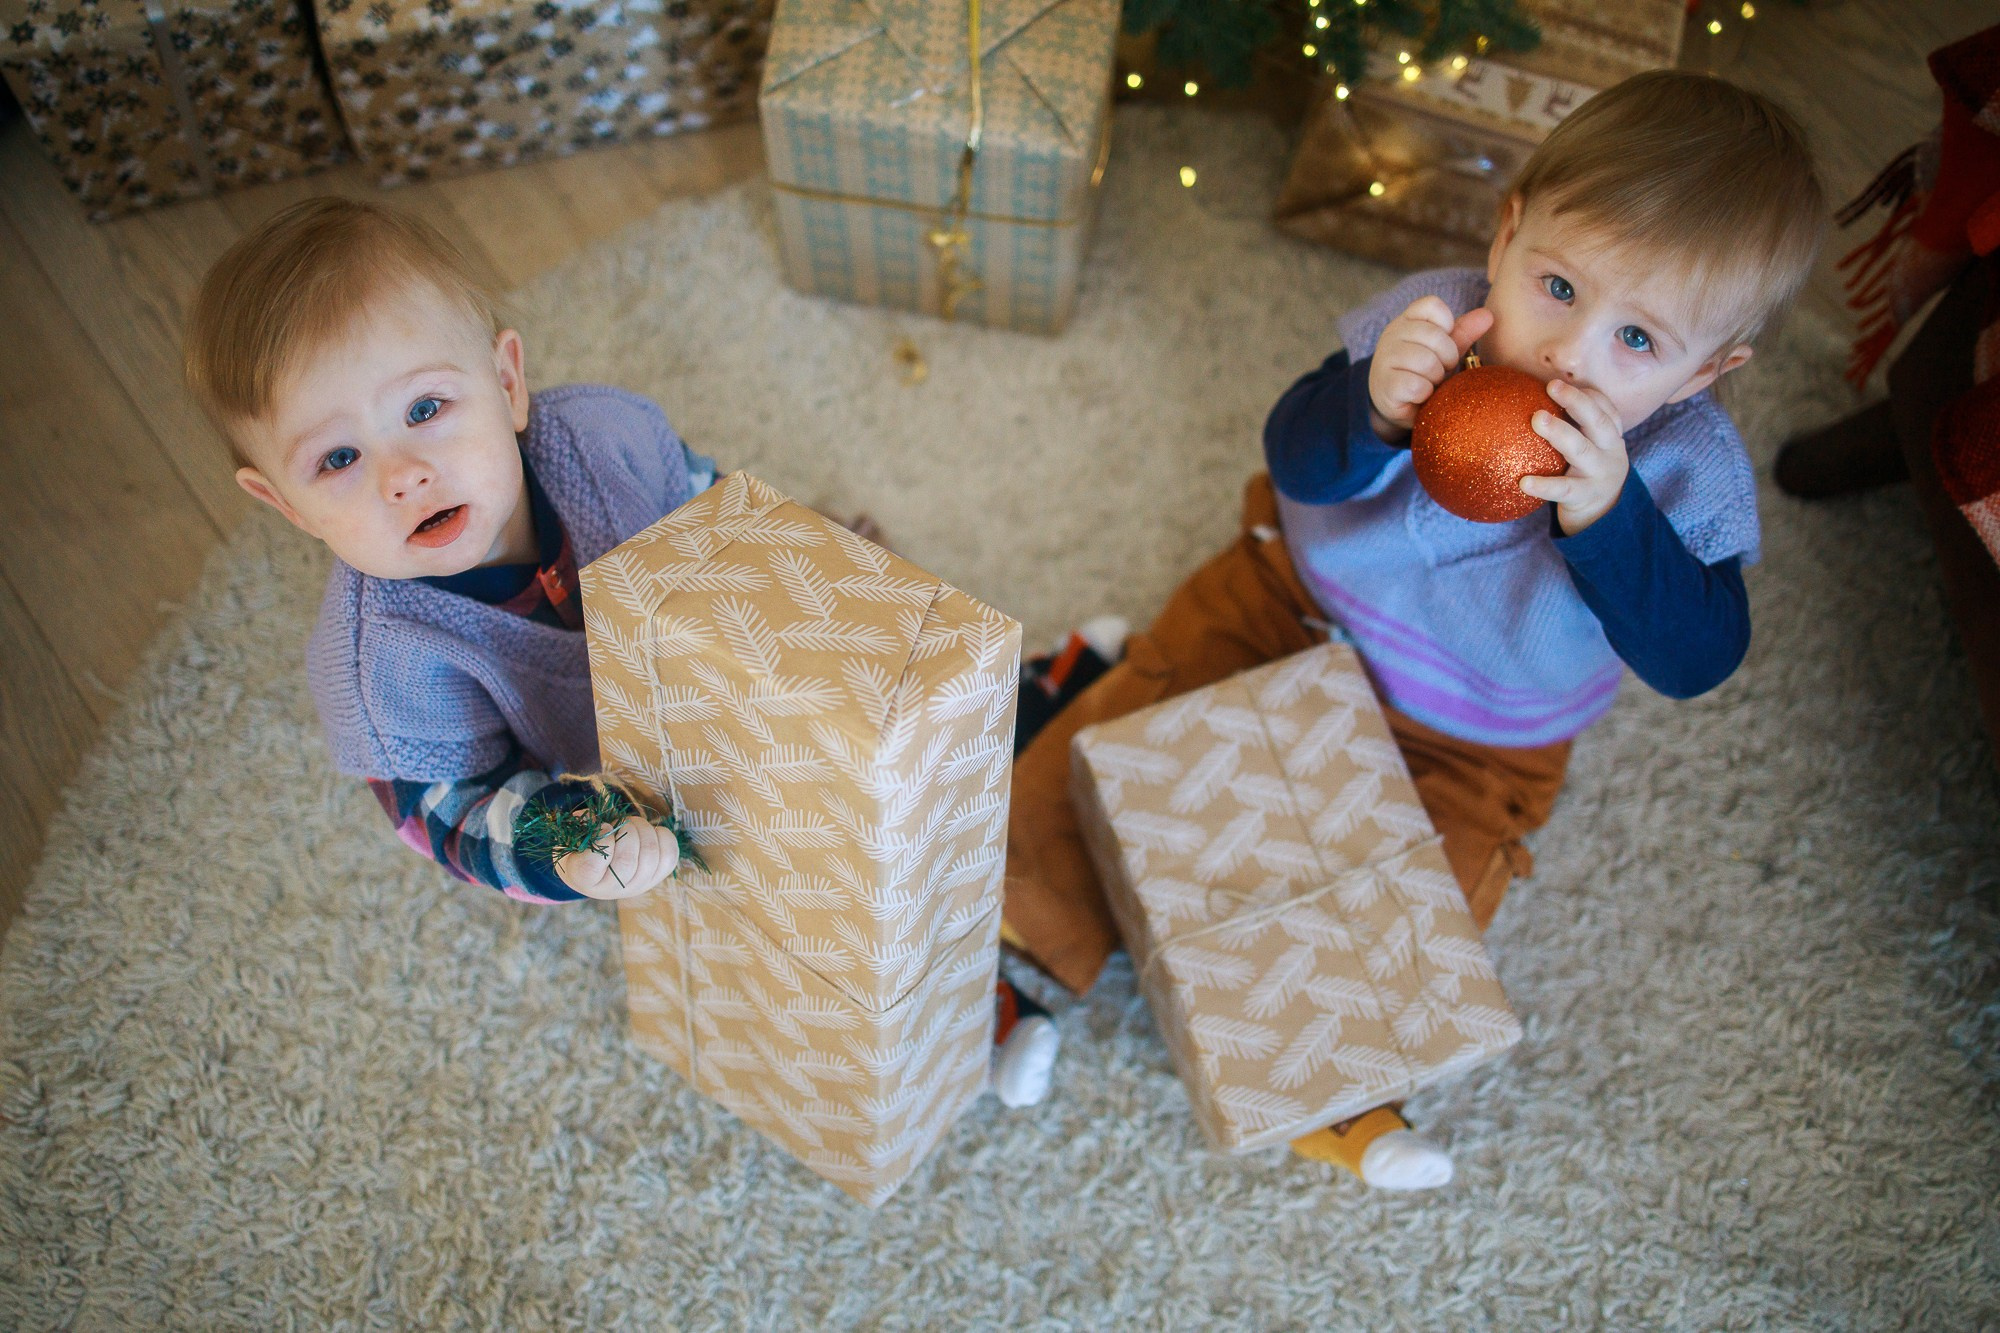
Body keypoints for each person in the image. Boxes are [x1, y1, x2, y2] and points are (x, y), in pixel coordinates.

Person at [1001, 69, 1827, 1186]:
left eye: (1639, 340)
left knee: (1419, 892)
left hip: (1476, 730)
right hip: (1285, 608)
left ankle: (1334, 1094)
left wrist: (1606, 514)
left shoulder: (1685, 468)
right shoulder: (1426, 326)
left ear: (1707, 368)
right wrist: (1373, 408)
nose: (1569, 353)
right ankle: (1005, 954)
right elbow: (1292, 454)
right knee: (1126, 732)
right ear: (1505, 231)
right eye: (1557, 286)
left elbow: (1695, 658)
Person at [183, 199, 1058, 1106]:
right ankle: (972, 1012)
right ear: (282, 502)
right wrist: (574, 836)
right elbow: (457, 815)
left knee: (904, 714)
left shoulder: (603, 439)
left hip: (723, 671)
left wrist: (812, 590)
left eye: (426, 407)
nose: (402, 473)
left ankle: (1043, 686)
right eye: (336, 461)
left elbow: (717, 517)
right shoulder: (386, 667)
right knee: (799, 897)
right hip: (625, 788)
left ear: (507, 382)